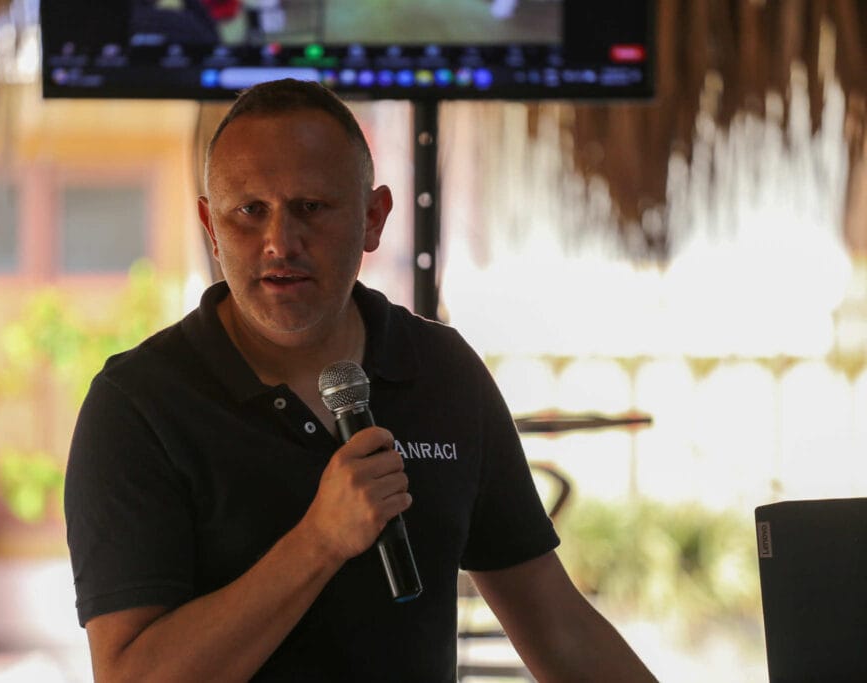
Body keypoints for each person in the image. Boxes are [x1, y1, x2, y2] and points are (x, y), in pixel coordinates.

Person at [64, 78, 656, 682]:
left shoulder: (441, 371)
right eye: (250, 212)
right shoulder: (138, 406)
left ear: (374, 218)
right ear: (210, 229)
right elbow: (131, 677)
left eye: (310, 208)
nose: (279, 242)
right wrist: (318, 542)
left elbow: (558, 627)